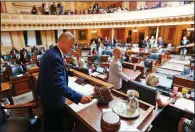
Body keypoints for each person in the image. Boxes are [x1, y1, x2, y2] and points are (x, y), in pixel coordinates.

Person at [36, 31, 92, 131]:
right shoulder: (55, 57)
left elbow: (54, 73)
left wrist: (67, 72)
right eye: (70, 46)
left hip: (47, 95)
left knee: (50, 122)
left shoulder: (52, 52)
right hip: (53, 99)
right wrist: (78, 97)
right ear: (62, 42)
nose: (72, 49)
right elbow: (58, 85)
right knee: (55, 125)